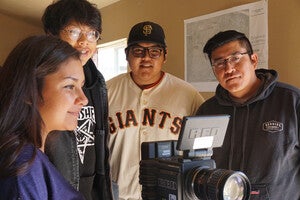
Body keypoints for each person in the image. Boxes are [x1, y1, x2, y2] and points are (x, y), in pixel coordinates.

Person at [196, 30, 300, 200]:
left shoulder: (291, 101)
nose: (229, 68)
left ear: (253, 60)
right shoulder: (207, 112)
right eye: (219, 63)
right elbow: (199, 165)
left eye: (236, 58)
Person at [107, 21, 205, 200]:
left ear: (164, 56)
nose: (146, 58)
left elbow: (202, 150)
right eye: (138, 51)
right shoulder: (106, 91)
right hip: (118, 194)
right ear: (126, 55)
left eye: (155, 51)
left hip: (169, 194)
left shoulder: (188, 94)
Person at [41, 0, 114, 199]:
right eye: (73, 31)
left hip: (90, 189)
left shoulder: (97, 82)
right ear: (51, 35)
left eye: (92, 33)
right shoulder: (39, 81)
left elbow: (100, 144)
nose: (84, 41)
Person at [0, 35, 87, 199]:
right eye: (69, 86)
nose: (83, 99)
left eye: (81, 86)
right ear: (29, 91)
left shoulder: (30, 155)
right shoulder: (21, 170)